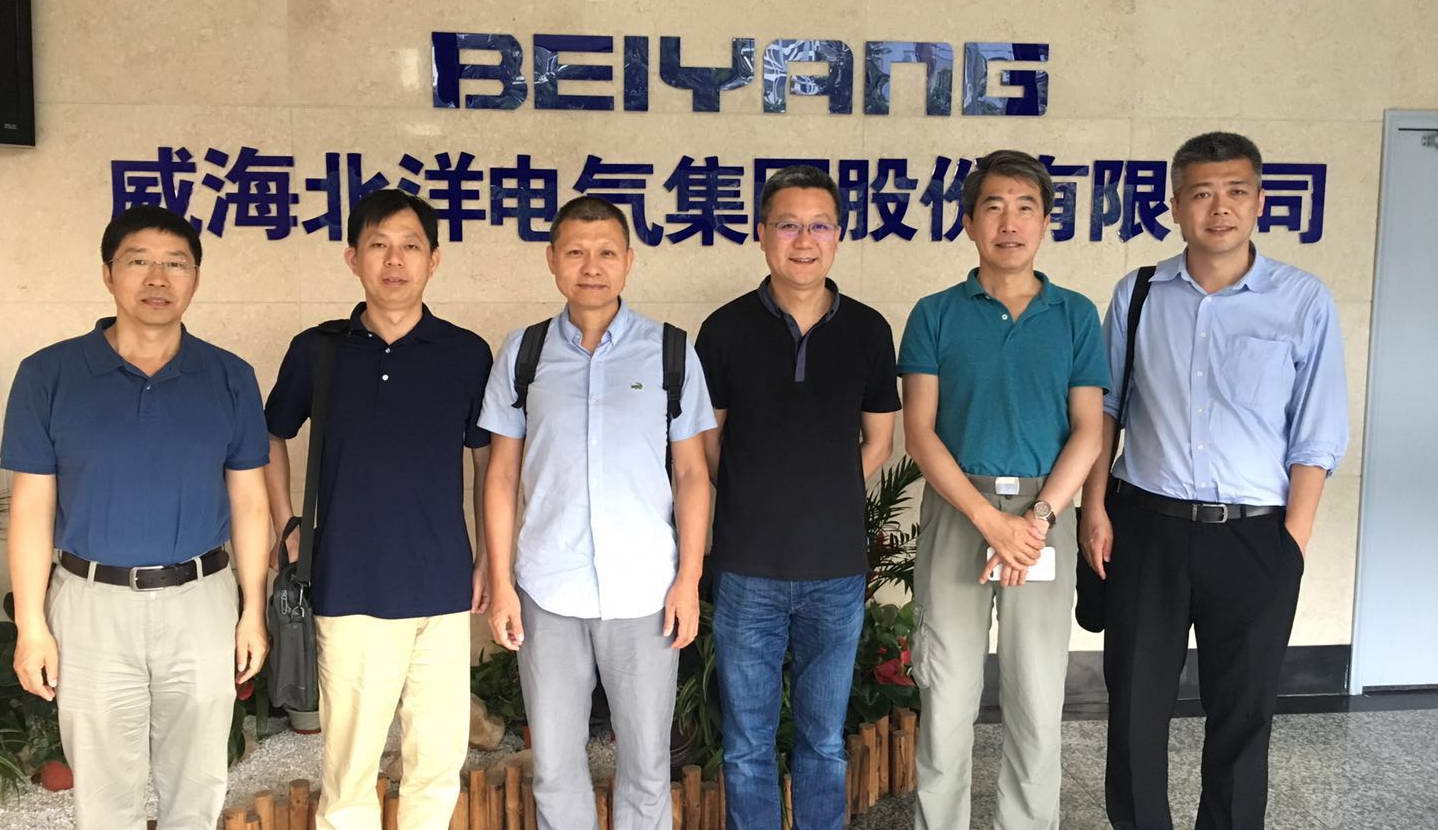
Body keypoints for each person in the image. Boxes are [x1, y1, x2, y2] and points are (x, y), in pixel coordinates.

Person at [1079, 132, 1349, 830]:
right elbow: (1105, 410)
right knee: (1134, 711)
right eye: (1201, 193)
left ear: (1260, 202)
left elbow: (1316, 432)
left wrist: (1291, 542)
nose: (1219, 208)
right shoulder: (1138, 293)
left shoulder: (1302, 300)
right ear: (1175, 206)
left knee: (1243, 713)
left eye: (1235, 192)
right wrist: (1093, 508)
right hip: (1147, 529)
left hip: (1255, 538)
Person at [3, 205, 270, 829]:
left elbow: (251, 502)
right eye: (139, 261)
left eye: (176, 263)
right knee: (103, 790)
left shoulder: (229, 377)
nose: (158, 278)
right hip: (89, 603)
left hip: (201, 600)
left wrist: (252, 610)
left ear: (196, 277)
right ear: (108, 273)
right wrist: (32, 624)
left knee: (197, 782)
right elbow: (33, 506)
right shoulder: (49, 375)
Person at [262, 189, 494, 830]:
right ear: (353, 258)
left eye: (410, 246)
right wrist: (287, 526)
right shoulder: (319, 350)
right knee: (350, 770)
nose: (395, 261)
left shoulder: (465, 352)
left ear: (434, 260)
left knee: (437, 761)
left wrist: (490, 558)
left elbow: (488, 463)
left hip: (442, 584)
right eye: (379, 246)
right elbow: (270, 435)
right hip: (350, 584)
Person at [481, 195, 715, 830]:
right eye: (576, 252)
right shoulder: (524, 353)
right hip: (548, 590)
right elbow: (501, 474)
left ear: (629, 261)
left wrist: (689, 579)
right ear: (552, 260)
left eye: (607, 252)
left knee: (647, 766)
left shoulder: (670, 351)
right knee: (555, 768)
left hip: (646, 593)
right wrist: (501, 582)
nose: (592, 266)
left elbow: (692, 474)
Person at [899, 150, 1108, 829]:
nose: (1009, 223)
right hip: (959, 511)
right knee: (946, 695)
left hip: (1046, 515)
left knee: (1037, 698)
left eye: (1025, 208)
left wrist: (1039, 518)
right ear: (968, 222)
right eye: (993, 207)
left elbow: (1089, 431)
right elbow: (920, 434)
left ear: (1046, 221)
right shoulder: (935, 314)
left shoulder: (1075, 315)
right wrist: (990, 520)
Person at [695, 164, 900, 830]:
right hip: (747, 569)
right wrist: (758, 495)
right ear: (761, 233)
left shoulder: (868, 330)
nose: (803, 240)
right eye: (788, 225)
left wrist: (825, 496)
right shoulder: (724, 329)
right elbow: (708, 443)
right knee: (747, 745)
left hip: (835, 572)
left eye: (819, 226)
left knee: (822, 742)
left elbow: (879, 442)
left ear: (838, 236)